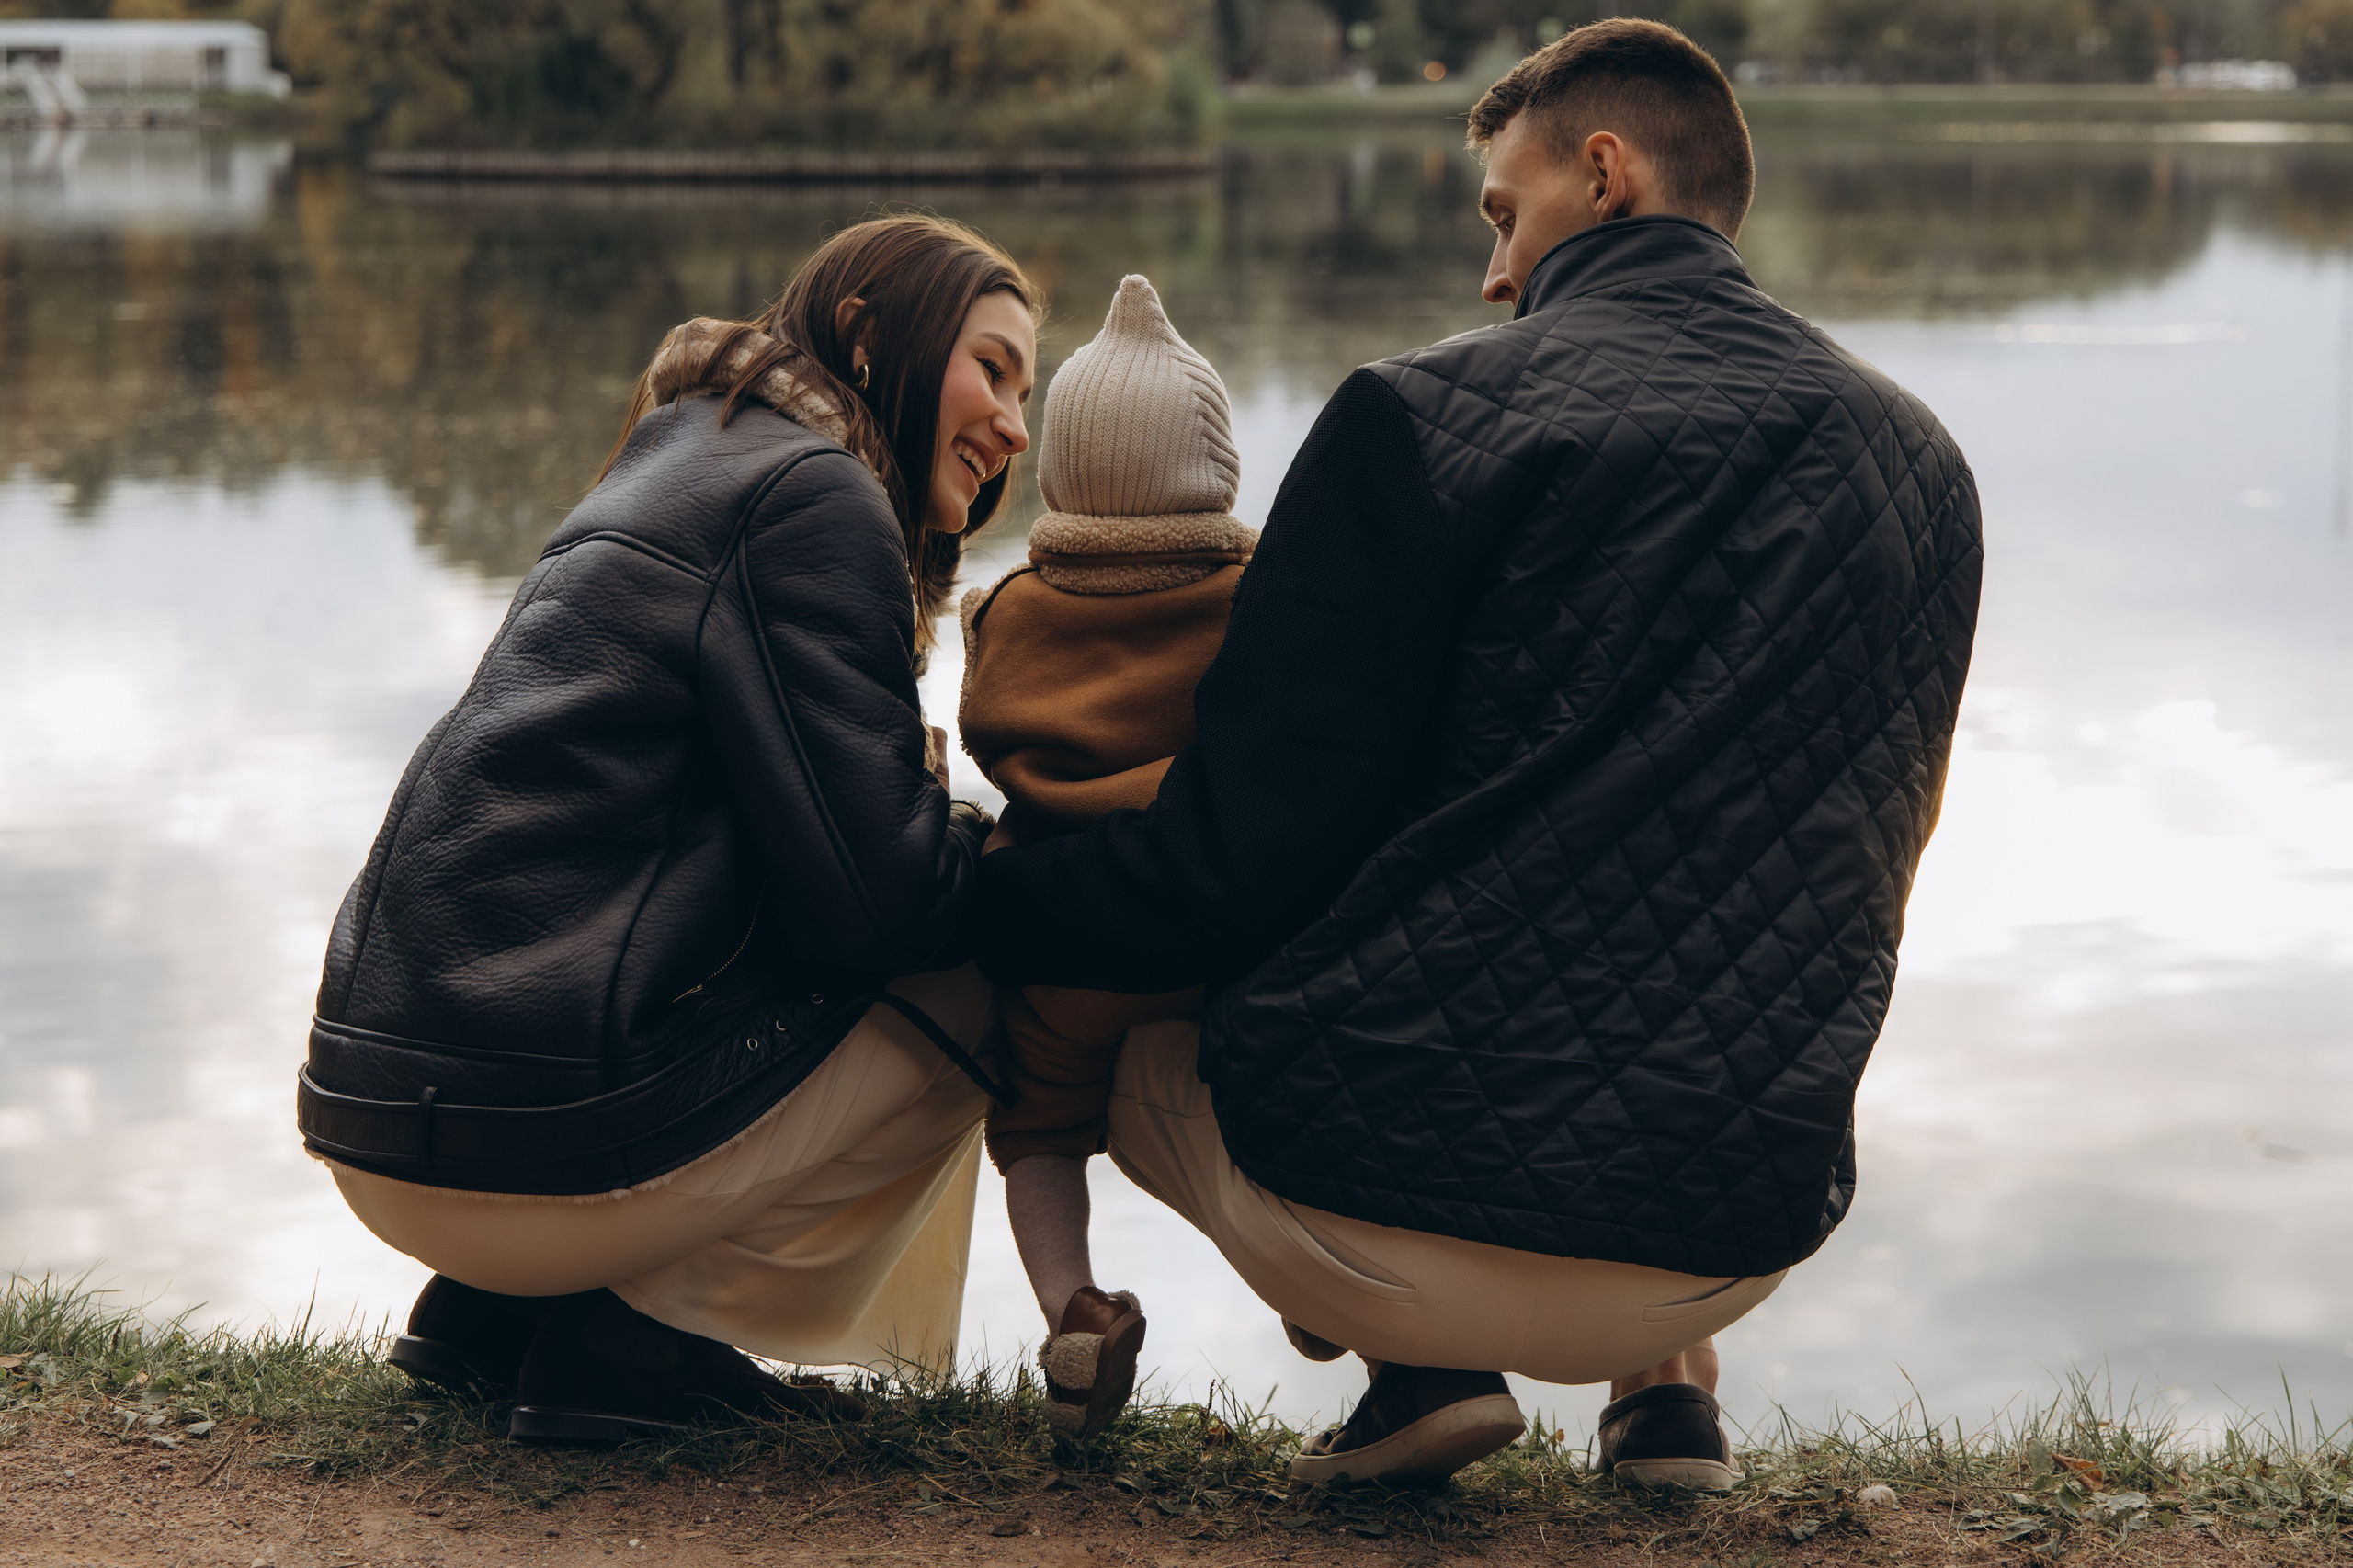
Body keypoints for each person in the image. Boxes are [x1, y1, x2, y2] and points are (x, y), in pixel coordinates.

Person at [972, 17, 1984, 1488]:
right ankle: (1666, 1401)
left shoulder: (1425, 419)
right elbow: (1872, 868)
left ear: (1604, 172)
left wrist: (973, 898)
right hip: (1733, 1231)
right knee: (1718, 883)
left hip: (1384, 1219)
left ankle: (1425, 1370)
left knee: (1122, 1024)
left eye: (1504, 216)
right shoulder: (1926, 466)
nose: (1492, 273)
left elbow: (1229, 868)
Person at [295, 215, 1036, 1445]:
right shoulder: (815, 496)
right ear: (865, 338)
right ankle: (645, 1343)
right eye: (993, 367)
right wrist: (992, 835)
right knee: (982, 963)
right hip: (530, 1159)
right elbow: (886, 904)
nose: (1016, 421)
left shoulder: (675, 453)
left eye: (1027, 387)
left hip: (384, 1126)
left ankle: (496, 1315)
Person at [957, 275, 1251, 1439]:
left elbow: (987, 734)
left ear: (1060, 472)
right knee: (1281, 1105)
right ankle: (1358, 1322)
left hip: (1060, 946)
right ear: (1214, 470)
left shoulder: (1008, 610)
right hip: (1217, 930)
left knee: (1036, 1126)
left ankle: (1068, 1310)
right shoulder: (1257, 594)